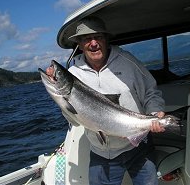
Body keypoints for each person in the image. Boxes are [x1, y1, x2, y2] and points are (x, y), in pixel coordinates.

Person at [47, 16, 165, 185]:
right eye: (87, 39)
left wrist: (154, 113)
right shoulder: (74, 74)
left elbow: (150, 91)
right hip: (102, 154)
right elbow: (75, 121)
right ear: (79, 44)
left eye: (98, 37)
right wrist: (59, 98)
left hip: (139, 148)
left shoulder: (128, 61)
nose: (93, 43)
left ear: (106, 39)